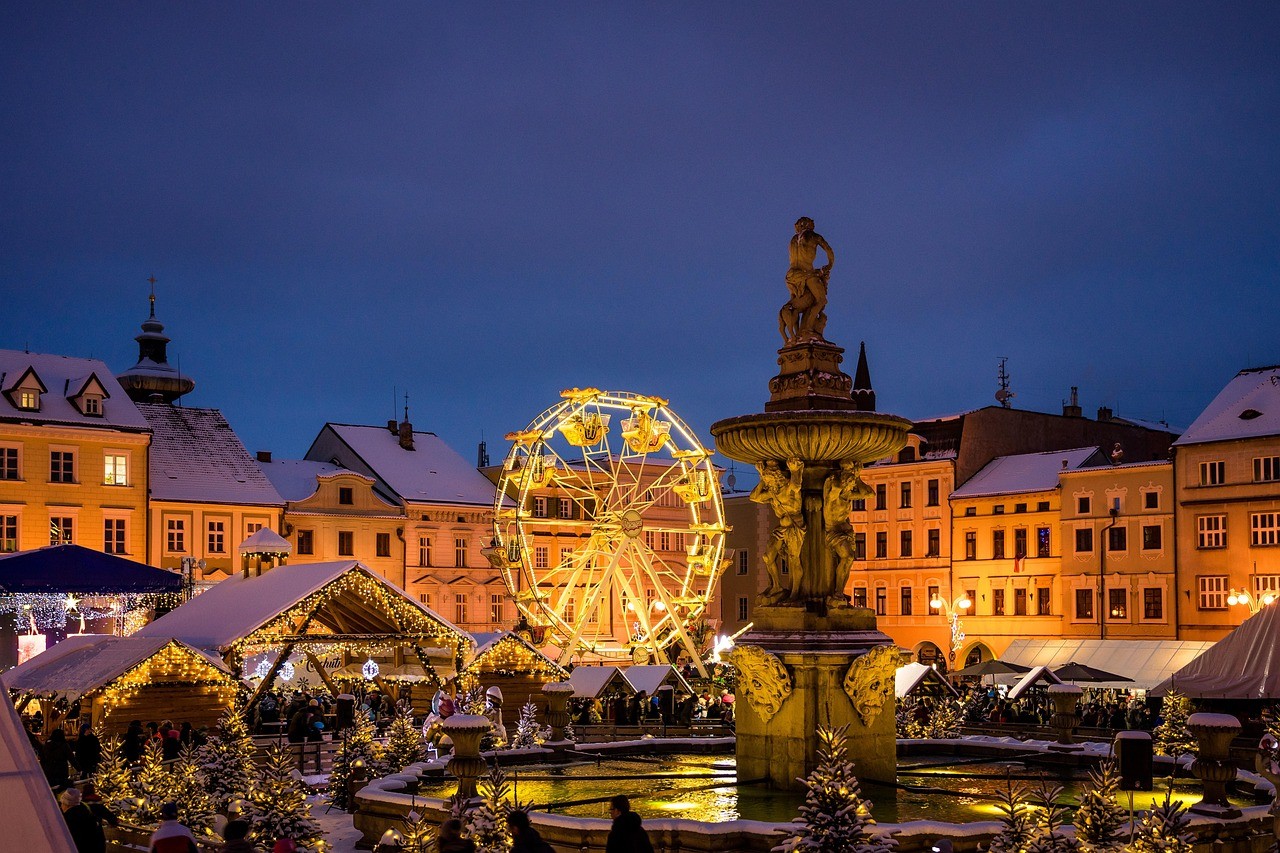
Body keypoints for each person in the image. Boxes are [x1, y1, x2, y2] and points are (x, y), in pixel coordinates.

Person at [61, 787, 114, 853]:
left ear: (67, 804)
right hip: (97, 848)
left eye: (62, 803)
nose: (61, 806)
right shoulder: (86, 811)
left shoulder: (69, 817)